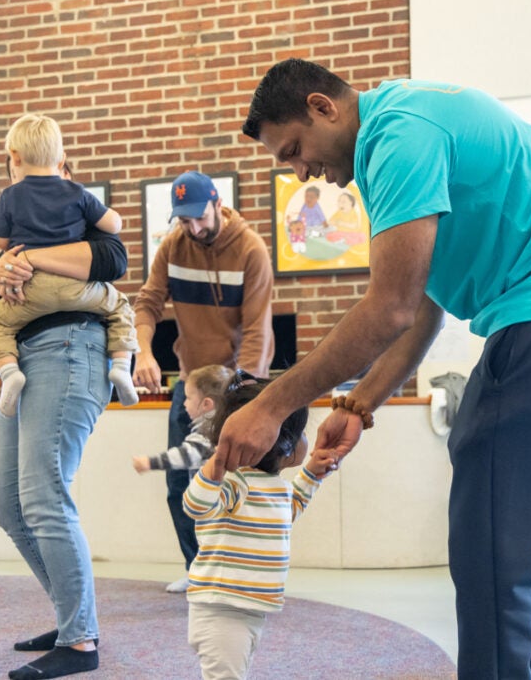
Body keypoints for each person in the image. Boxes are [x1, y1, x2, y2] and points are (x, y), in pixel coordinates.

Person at [226, 58, 531, 679]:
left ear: (323, 107)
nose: (300, 172)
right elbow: (424, 299)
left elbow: (388, 308)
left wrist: (271, 403)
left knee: (492, 528)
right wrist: (358, 403)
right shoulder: (397, 127)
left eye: (294, 151)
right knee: (527, 525)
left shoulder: (400, 137)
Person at [0, 205, 128, 679]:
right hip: (25, 359)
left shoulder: (89, 229)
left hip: (70, 349)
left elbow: (115, 262)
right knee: (10, 507)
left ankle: (78, 641)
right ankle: (72, 622)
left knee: (45, 498)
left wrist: (29, 258)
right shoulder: (15, 234)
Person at [131, 170, 274, 593]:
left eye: (199, 217)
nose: (194, 228)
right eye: (184, 220)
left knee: (235, 479)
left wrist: (242, 395)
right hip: (191, 385)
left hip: (235, 384)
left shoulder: (250, 249)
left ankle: (239, 569)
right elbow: (148, 301)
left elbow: (257, 329)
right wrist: (143, 352)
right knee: (181, 477)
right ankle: (198, 568)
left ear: (216, 203)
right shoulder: (173, 247)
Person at [184, 372, 338, 680]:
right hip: (222, 608)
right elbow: (195, 506)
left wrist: (312, 473)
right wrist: (215, 466)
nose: (304, 442)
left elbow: (290, 507)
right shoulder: (235, 481)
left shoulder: (275, 485)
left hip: (250, 608)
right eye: (298, 434)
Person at [0, 113, 138, 416]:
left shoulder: (10, 196)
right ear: (61, 158)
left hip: (28, 290)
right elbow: (114, 223)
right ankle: (121, 366)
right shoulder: (77, 192)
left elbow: (0, 242)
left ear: (14, 157)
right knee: (120, 306)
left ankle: (10, 373)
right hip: (79, 289)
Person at [132, 364, 233, 474]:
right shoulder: (226, 426)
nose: (184, 404)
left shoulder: (207, 432)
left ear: (206, 404)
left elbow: (186, 455)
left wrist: (151, 462)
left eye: (188, 398)